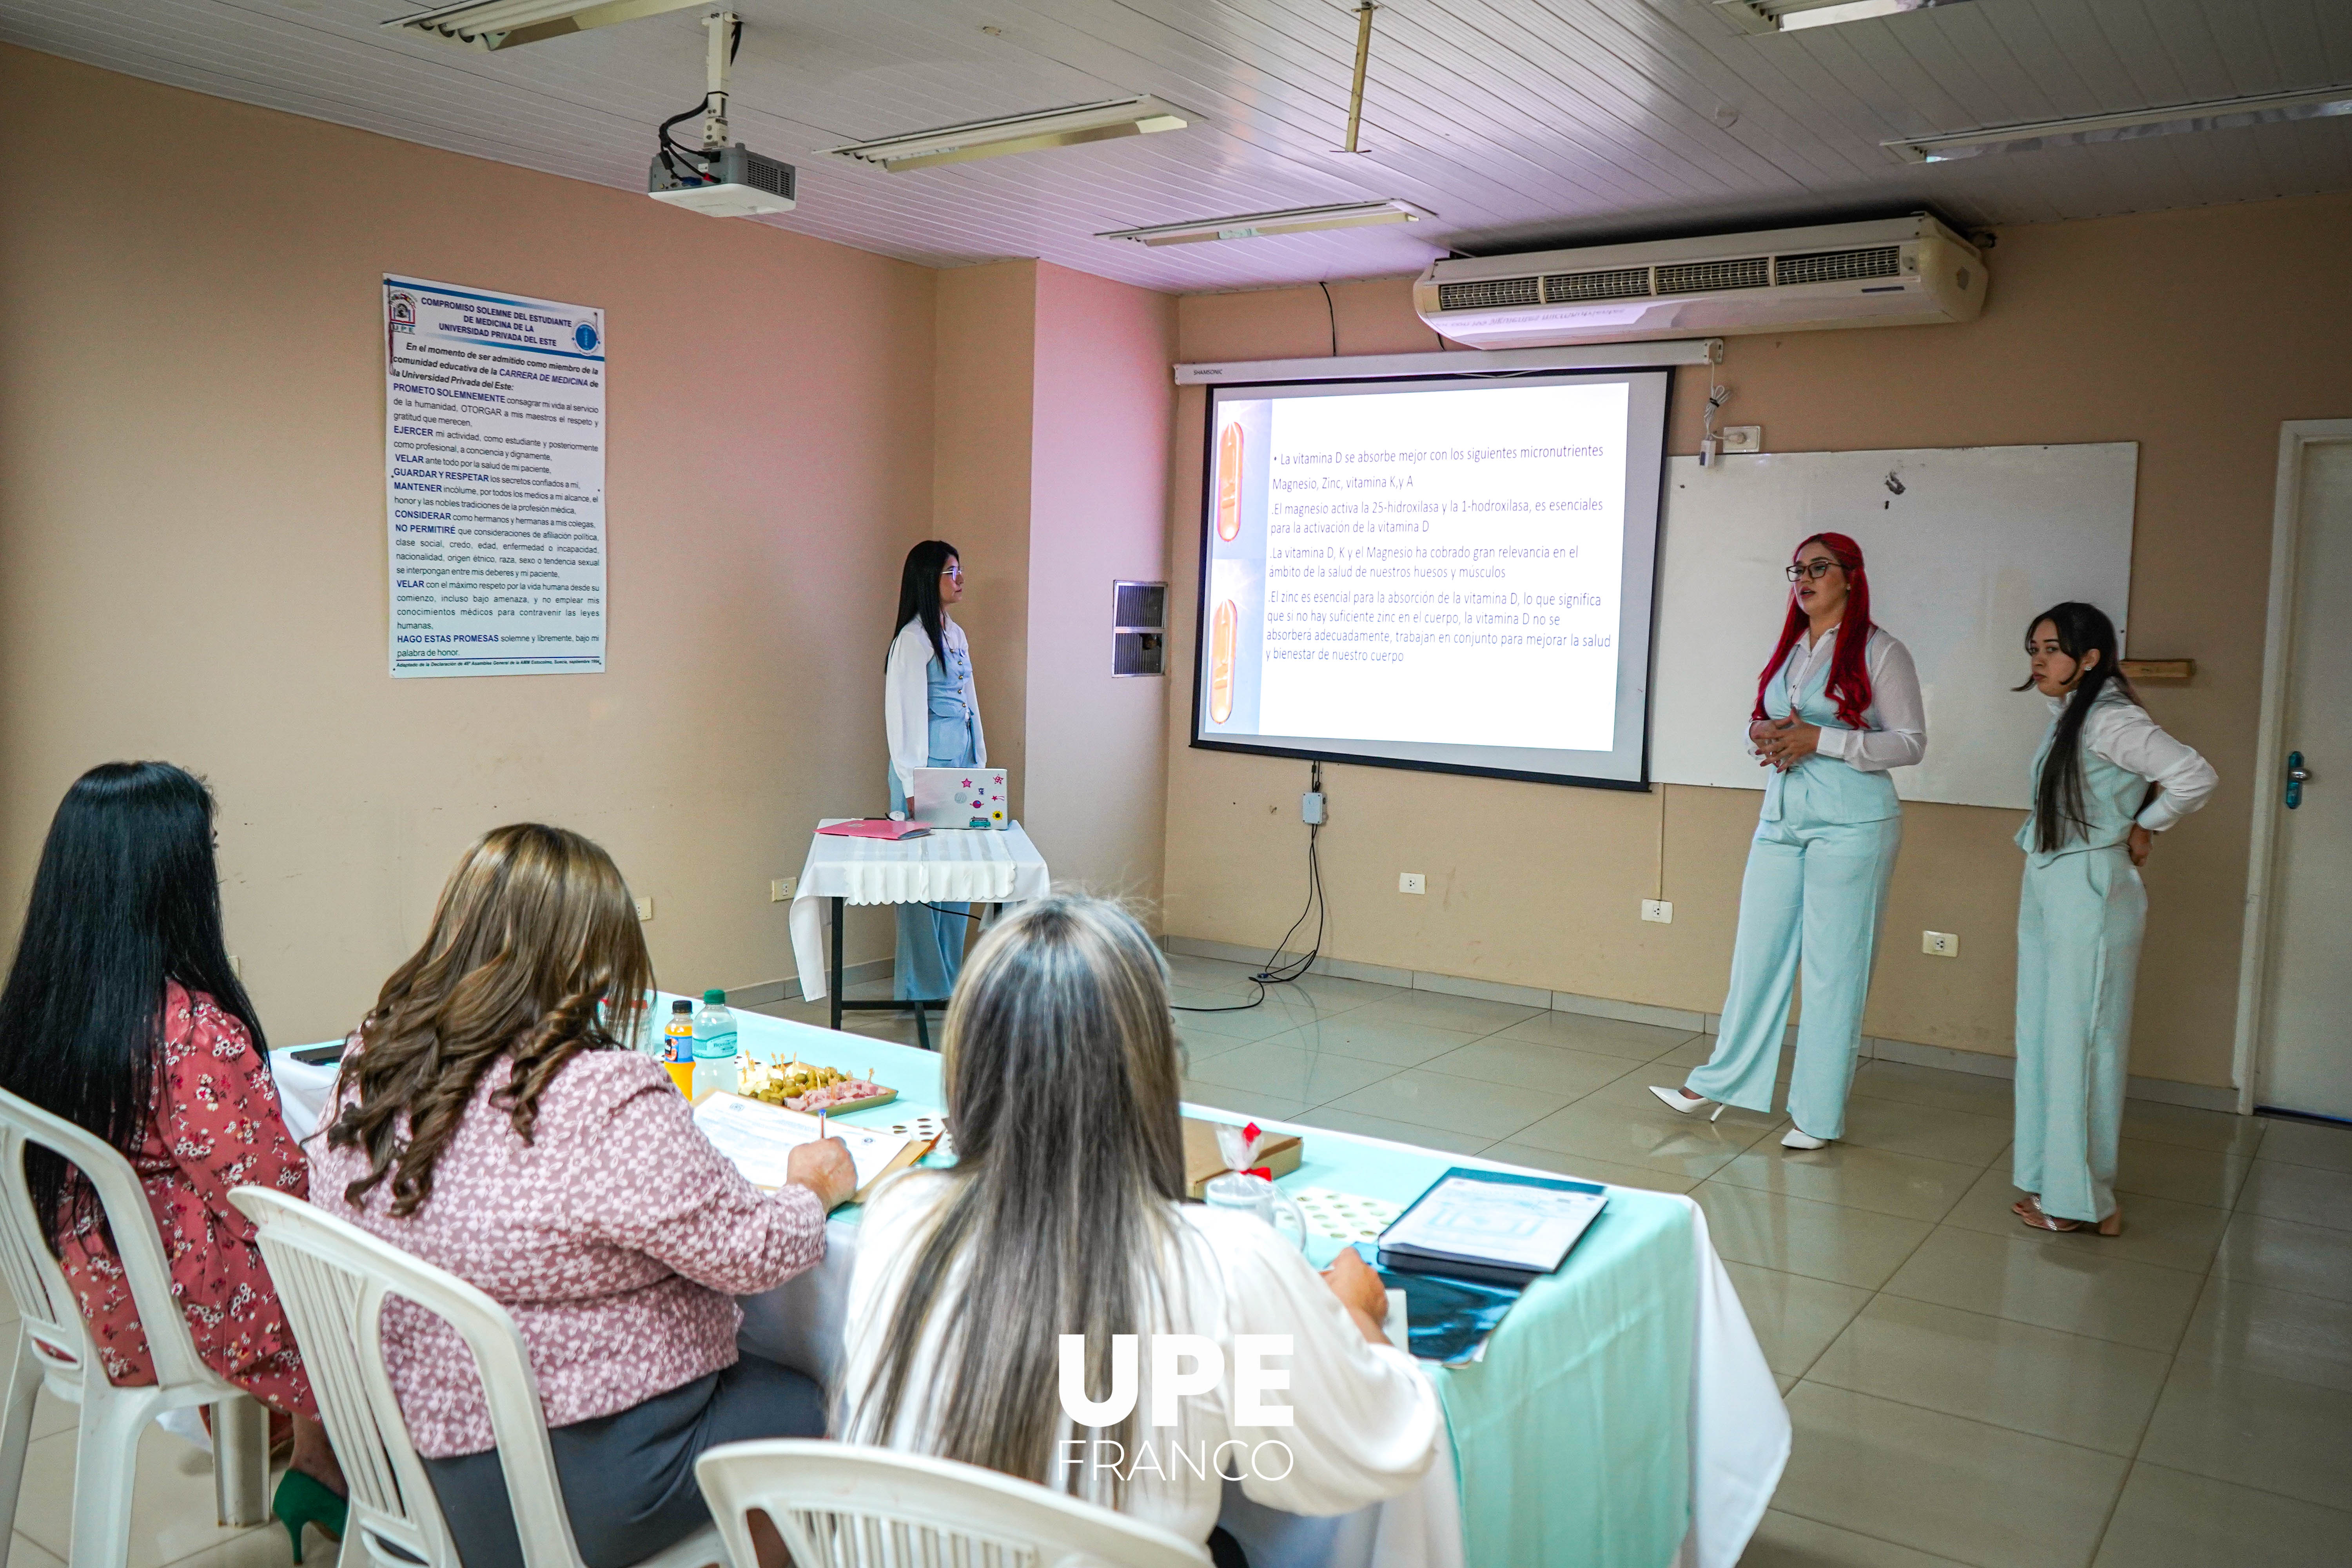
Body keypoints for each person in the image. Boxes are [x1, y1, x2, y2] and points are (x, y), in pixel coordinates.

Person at [310, 823, 856, 1568]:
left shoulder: (372, 1058)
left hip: (411, 1461)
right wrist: (811, 1189)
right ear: (597, 964)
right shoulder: (597, 1094)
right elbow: (752, 1253)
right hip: (583, 1482)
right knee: (823, 1398)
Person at [840, 895, 1440, 1563]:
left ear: (967, 1068)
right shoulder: (1225, 1264)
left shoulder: (900, 1213)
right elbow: (1377, 1449)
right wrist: (1358, 1317)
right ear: (1154, 1071)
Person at [0, 762, 348, 1559]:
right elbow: (270, 1196)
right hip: (168, 1311)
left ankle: (315, 1467)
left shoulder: (46, 1006)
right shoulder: (191, 1030)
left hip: (83, 1286)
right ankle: (346, 1477)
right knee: (380, 1274)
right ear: (169, 876)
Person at [1651, 533, 1927, 1149]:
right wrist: (1764, 730)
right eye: (1797, 569)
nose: (1804, 579)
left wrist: (1820, 741)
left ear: (1851, 577)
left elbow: (1910, 743)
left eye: (1818, 568)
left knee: (1835, 971)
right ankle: (1719, 1082)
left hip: (1853, 826)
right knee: (1757, 956)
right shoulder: (1790, 650)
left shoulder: (1882, 651)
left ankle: (1817, 1116)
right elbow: (1767, 716)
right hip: (1781, 821)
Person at [2009, 603, 2214, 1236]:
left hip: (2090, 885)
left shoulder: (2110, 719)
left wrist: (2144, 826)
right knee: (2048, 1036)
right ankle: (2053, 1181)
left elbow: (2193, 776)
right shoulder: (2074, 715)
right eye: (2034, 649)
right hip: (2052, 877)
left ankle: (2084, 1201)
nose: (2039, 661)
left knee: (2083, 1042)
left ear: (2090, 657)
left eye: (2051, 649)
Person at [883, 539, 987, 1002]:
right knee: (920, 886)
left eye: (960, 569)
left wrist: (980, 762)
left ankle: (950, 981)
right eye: (951, 571)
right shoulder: (911, 640)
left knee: (955, 877)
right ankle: (921, 989)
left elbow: (970, 707)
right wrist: (909, 784)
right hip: (922, 776)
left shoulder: (957, 635)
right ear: (929, 578)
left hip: (959, 772)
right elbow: (901, 717)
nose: (960, 578)